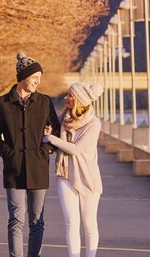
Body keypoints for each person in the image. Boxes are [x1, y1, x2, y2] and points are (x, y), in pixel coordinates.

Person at [0, 51, 61, 257]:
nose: (38, 82)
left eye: (39, 78)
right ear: (23, 78)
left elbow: (56, 131)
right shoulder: (3, 103)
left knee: (37, 221)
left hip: (38, 168)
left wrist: (45, 151)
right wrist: (8, 153)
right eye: (34, 78)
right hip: (14, 169)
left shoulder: (45, 102)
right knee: (16, 219)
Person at [43, 81, 104, 257]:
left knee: (89, 224)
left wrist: (51, 139)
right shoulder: (64, 117)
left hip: (88, 178)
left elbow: (75, 148)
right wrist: (51, 133)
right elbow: (53, 135)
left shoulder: (94, 123)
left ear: (79, 100)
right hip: (65, 174)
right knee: (71, 222)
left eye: (70, 95)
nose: (66, 97)